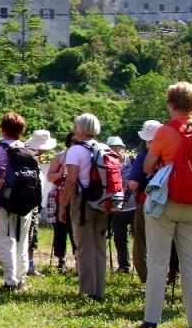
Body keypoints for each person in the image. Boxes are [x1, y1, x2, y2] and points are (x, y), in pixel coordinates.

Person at [140, 81, 192, 328]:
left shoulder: (165, 131)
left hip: (167, 200)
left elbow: (148, 166)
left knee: (158, 262)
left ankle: (152, 319)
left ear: (171, 104)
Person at [58, 113, 113, 301]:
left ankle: (88, 291)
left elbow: (71, 181)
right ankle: (100, 290)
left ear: (80, 129)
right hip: (103, 201)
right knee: (99, 247)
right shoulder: (104, 148)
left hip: (83, 203)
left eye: (75, 126)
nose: (73, 129)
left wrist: (63, 206)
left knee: (84, 247)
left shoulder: (75, 150)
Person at [0, 112, 34, 291]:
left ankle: (10, 281)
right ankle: (21, 278)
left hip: (2, 200)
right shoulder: (27, 149)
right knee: (22, 240)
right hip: (25, 202)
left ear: (3, 129)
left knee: (5, 240)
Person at [127, 120, 162, 283]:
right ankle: (169, 276)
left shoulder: (144, 156)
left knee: (141, 242)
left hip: (145, 202)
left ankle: (146, 278)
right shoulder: (169, 154)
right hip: (166, 202)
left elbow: (133, 184)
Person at [23, 130, 57, 277]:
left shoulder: (30, 157)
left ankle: (27, 265)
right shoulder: (31, 159)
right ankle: (27, 266)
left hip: (32, 202)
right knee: (30, 234)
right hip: (30, 203)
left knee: (31, 234)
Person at [47, 131, 77, 273]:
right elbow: (49, 177)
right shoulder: (60, 156)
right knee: (60, 230)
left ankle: (79, 259)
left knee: (75, 230)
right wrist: (60, 173)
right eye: (73, 142)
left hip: (76, 197)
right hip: (59, 196)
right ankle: (61, 260)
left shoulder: (83, 155)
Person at [107, 136, 135, 273]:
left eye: (116, 148)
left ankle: (142, 265)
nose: (114, 152)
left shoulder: (133, 162)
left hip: (135, 206)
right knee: (119, 239)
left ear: (123, 148)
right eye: (110, 149)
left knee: (140, 239)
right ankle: (124, 266)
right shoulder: (107, 164)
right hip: (117, 208)